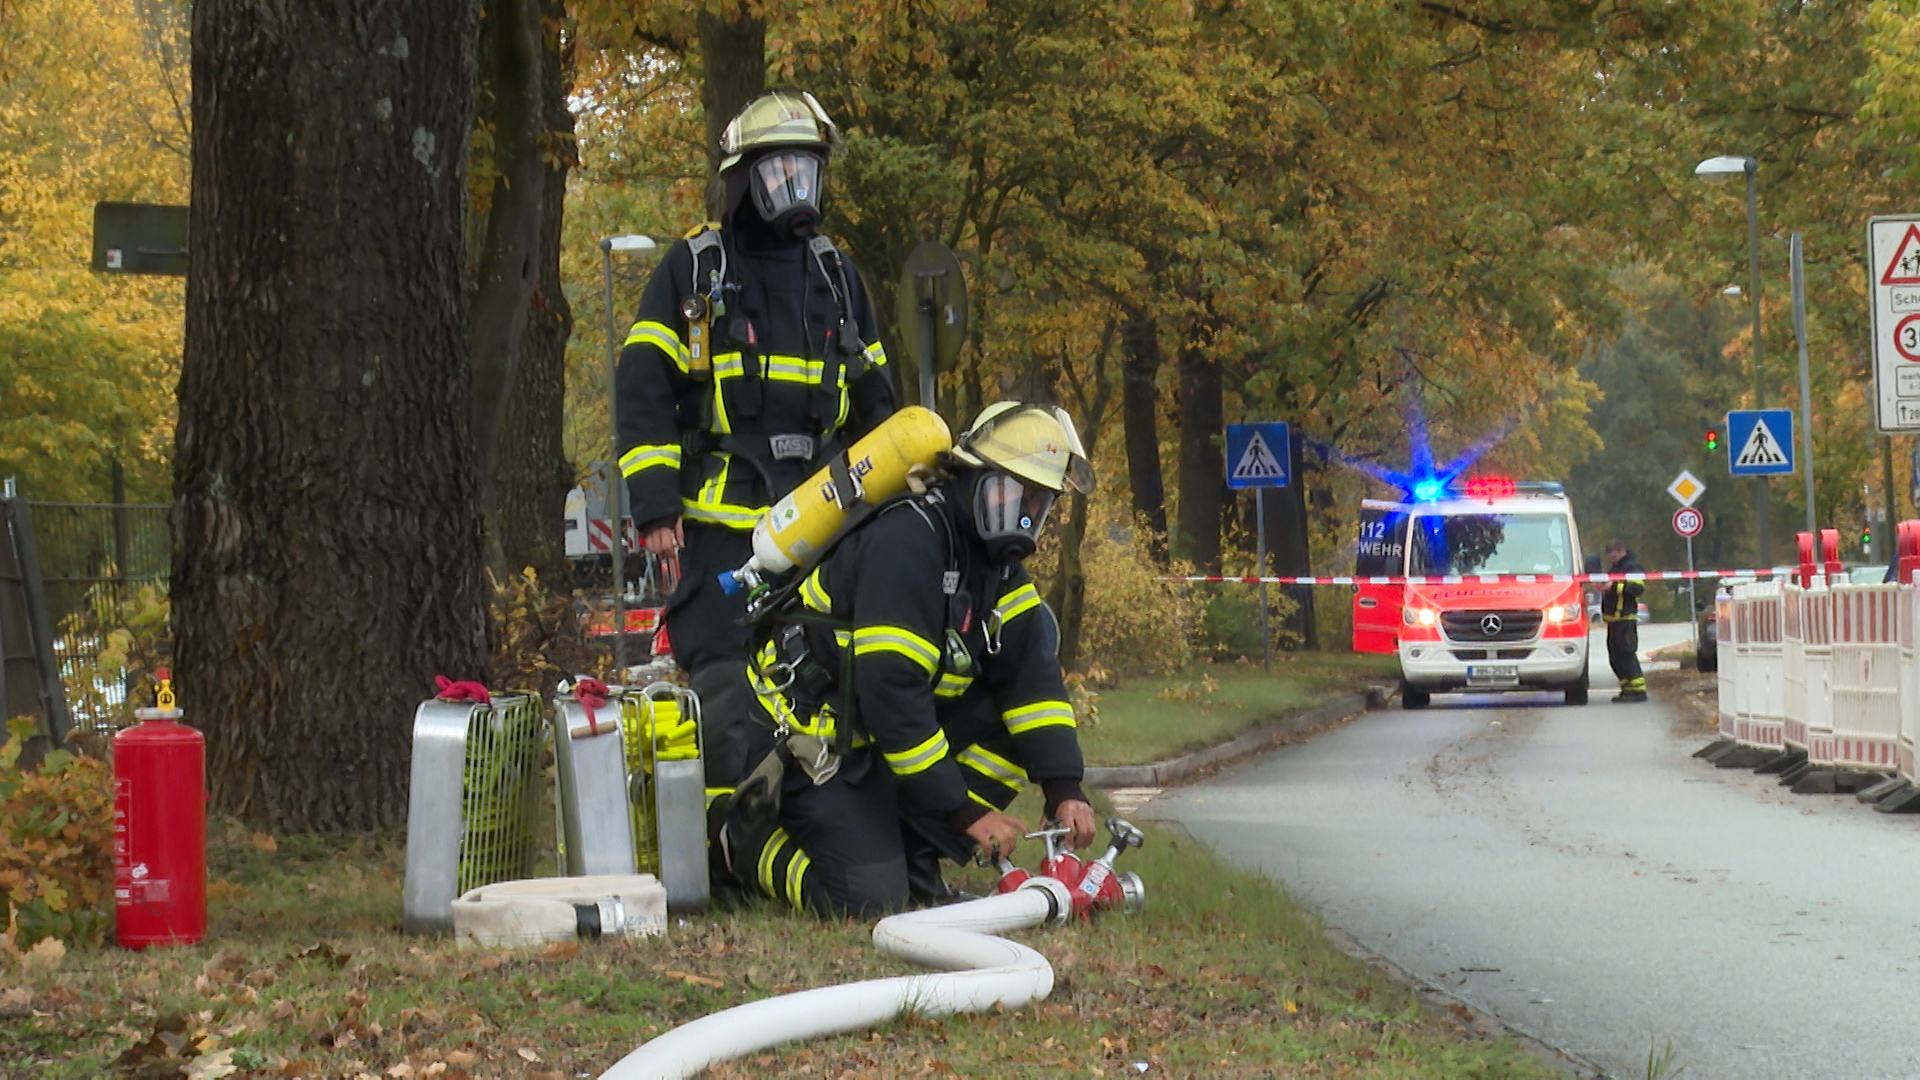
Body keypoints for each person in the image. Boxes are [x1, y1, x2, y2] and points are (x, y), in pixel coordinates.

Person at [710, 402, 1100, 917]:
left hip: (871, 739)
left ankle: (910, 853)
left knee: (1011, 717)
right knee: (865, 901)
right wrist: (965, 813)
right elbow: (892, 696)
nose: (1024, 517)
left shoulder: (996, 569)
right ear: (973, 479)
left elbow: (1034, 684)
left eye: (1038, 502)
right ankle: (738, 844)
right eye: (1013, 494)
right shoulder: (907, 543)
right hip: (812, 743)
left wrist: (1063, 788)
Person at [614, 90, 896, 790]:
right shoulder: (694, 272)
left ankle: (818, 820)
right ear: (743, 182)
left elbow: (877, 405)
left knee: (827, 669)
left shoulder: (837, 278)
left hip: (822, 525)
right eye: (779, 173)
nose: (796, 187)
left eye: (807, 171)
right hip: (718, 531)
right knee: (721, 676)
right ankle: (722, 836)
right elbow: (643, 384)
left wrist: (893, 501)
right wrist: (654, 508)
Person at [1600, 539, 1647, 702]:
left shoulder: (1632, 567)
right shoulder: (1615, 568)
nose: (1611, 556)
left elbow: (1637, 588)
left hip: (1625, 618)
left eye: (1614, 552)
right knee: (1615, 657)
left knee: (1626, 654)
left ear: (1622, 551)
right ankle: (1627, 689)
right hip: (1613, 619)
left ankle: (1639, 691)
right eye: (1609, 553)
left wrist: (1613, 586)